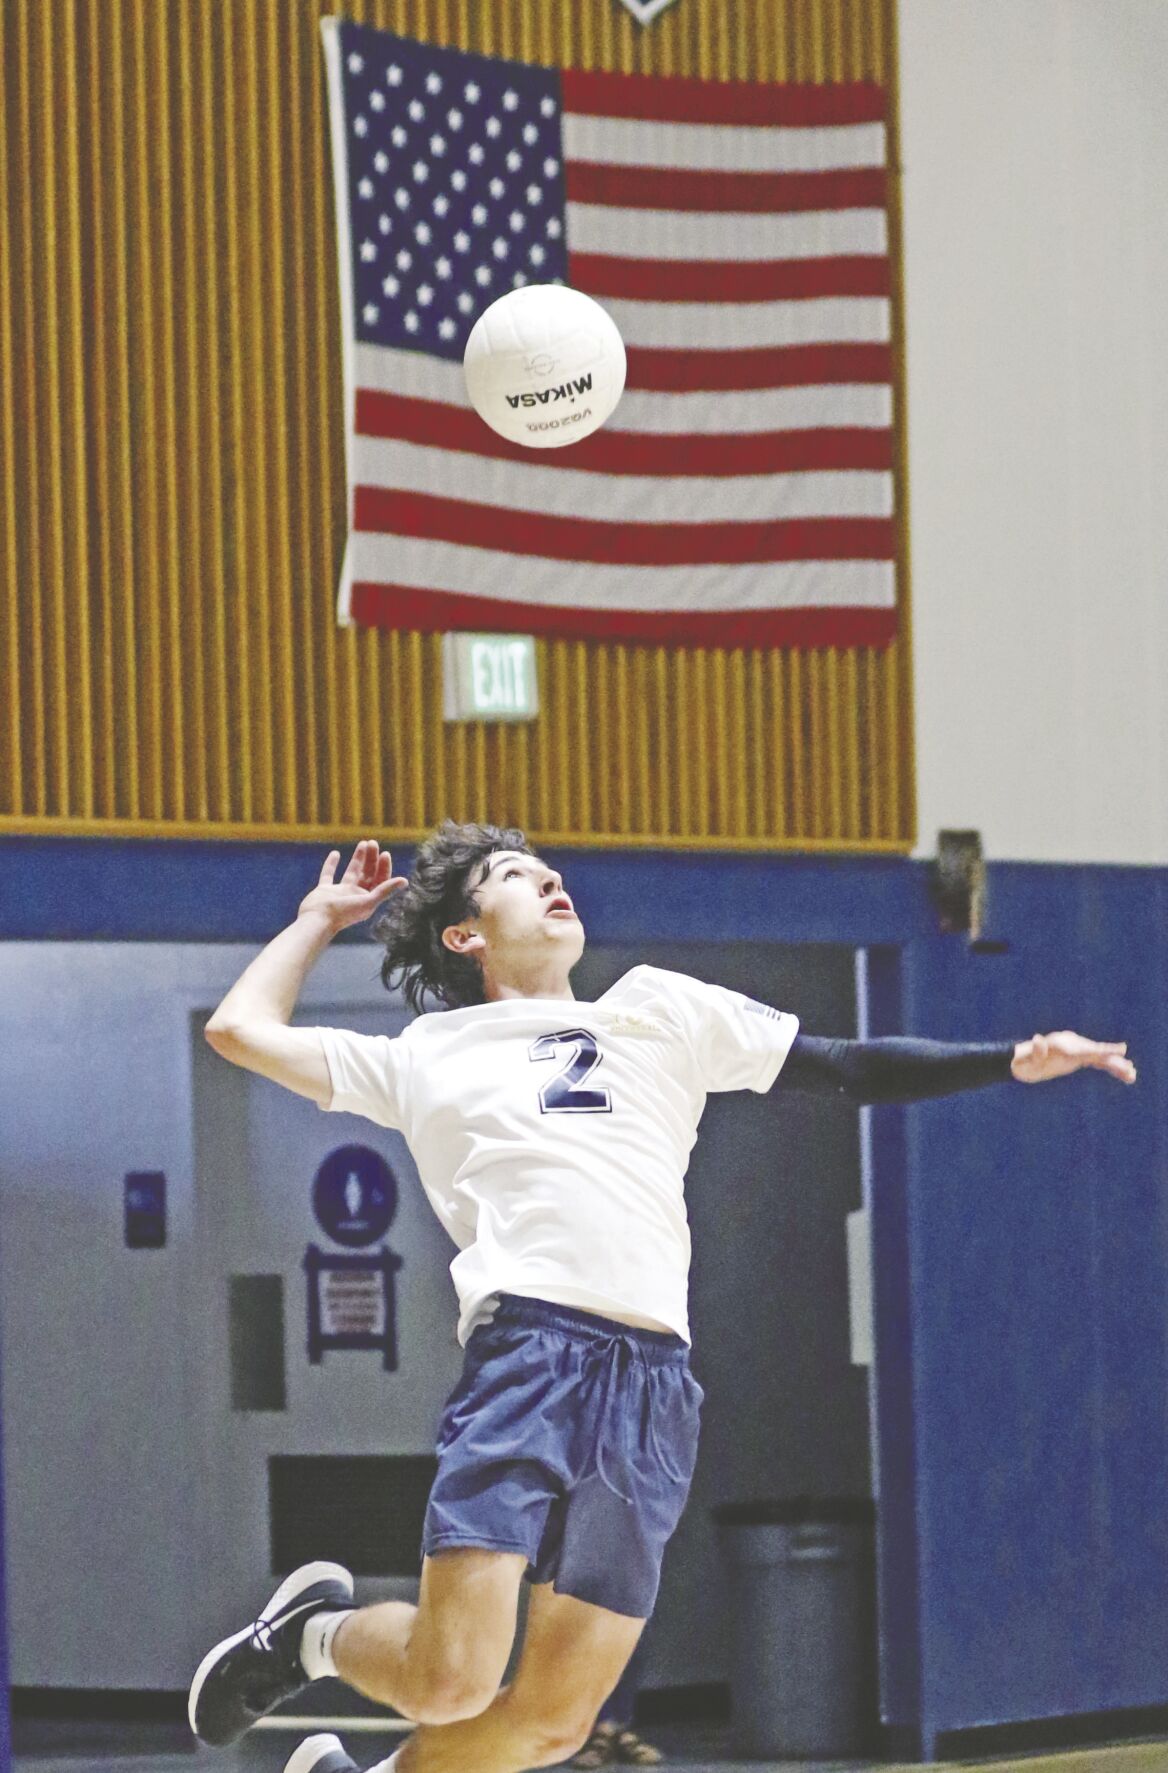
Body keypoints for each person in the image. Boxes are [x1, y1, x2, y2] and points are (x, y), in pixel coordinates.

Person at [187, 823, 1136, 1773]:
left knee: (554, 1724)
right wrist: (317, 918)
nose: (551, 878)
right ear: (464, 935)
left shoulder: (660, 1010)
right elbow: (239, 1030)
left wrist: (1009, 1058)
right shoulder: (427, 1053)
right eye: (515, 876)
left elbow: (847, 1063)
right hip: (531, 1354)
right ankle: (311, 1632)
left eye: (547, 868)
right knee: (452, 1682)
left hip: (654, 1384)